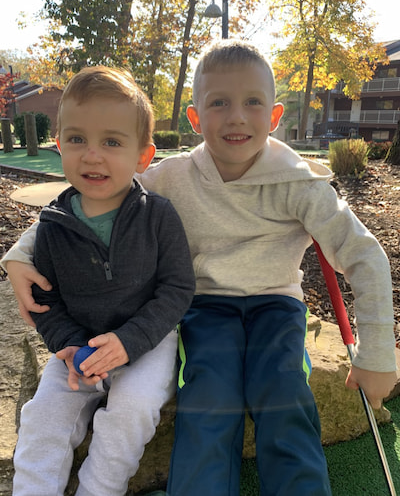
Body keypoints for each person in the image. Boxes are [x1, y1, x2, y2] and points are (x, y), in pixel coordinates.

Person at [2, 40, 397, 496]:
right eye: (219, 103)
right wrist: (20, 253)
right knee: (209, 394)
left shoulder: (301, 183)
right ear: (195, 118)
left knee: (284, 392)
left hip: (277, 307)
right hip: (202, 307)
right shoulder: (172, 175)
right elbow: (93, 202)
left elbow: (364, 255)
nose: (236, 116)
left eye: (252, 102)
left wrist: (377, 355)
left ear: (274, 116)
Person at [4, 65, 195, 496]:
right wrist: (67, 343)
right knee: (44, 415)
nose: (92, 155)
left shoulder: (158, 216)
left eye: (111, 141)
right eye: (77, 139)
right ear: (59, 147)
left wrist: (131, 340)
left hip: (146, 342)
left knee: (133, 408)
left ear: (143, 157)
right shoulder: (52, 226)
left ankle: (99, 490)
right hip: (79, 346)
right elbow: (45, 301)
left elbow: (178, 288)